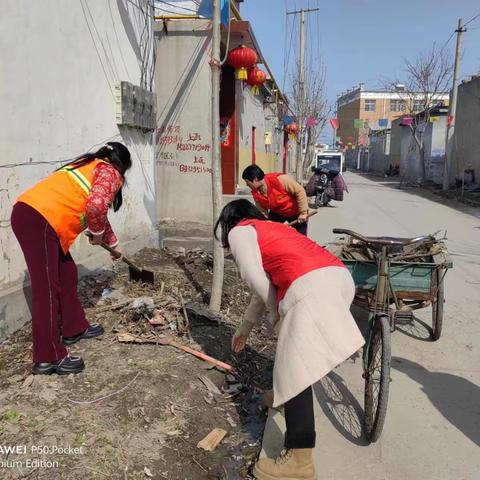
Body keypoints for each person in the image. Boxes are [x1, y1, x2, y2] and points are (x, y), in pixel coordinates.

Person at [214, 199, 364, 480]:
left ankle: (300, 459)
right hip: (338, 278)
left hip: (309, 286)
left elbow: (254, 278)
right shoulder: (271, 228)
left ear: (229, 222)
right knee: (291, 354)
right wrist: (246, 327)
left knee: (296, 367)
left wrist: (275, 313)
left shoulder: (240, 231)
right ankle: (282, 398)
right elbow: (265, 285)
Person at [11, 142, 132, 375]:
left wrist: (114, 247)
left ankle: (73, 327)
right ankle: (48, 357)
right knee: (46, 289)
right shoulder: (110, 171)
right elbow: (96, 207)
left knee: (67, 273)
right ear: (121, 165)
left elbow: (95, 210)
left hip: (37, 218)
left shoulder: (86, 165)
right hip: (39, 220)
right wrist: (97, 235)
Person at [242, 165, 310, 235]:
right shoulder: (256, 192)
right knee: (269, 233)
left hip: (295, 212)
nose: (247, 185)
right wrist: (265, 222)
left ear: (255, 179)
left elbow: (300, 191)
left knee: (301, 237)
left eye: (247, 181)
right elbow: (262, 210)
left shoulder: (280, 180)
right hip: (277, 213)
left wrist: (303, 213)